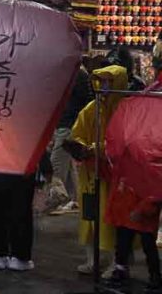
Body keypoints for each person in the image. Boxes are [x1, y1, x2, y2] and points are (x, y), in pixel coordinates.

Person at [65, 62, 129, 274]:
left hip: (116, 177)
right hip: (91, 174)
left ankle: (116, 263)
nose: (103, 86)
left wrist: (98, 149)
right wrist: (81, 148)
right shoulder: (91, 109)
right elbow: (77, 133)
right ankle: (92, 259)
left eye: (108, 81)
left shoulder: (125, 111)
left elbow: (124, 143)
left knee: (113, 221)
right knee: (89, 218)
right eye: (101, 81)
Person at [48, 60, 92, 214]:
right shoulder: (73, 73)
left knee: (56, 162)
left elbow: (84, 102)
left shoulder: (77, 74)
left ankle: (54, 200)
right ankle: (75, 200)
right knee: (68, 166)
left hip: (69, 124)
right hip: (66, 123)